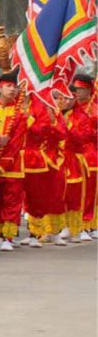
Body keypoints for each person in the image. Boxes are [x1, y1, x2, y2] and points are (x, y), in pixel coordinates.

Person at [0, 74, 29, 250]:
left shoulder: (21, 115)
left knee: (12, 201)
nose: (12, 89)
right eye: (8, 86)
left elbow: (17, 142)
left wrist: (3, 165)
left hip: (13, 166)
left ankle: (9, 238)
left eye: (15, 86)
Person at [23, 85, 65, 246]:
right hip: (27, 158)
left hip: (51, 159)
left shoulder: (52, 112)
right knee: (31, 196)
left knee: (53, 196)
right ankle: (35, 232)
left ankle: (54, 231)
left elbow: (58, 132)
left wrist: (52, 121)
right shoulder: (19, 107)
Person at [66, 74, 96, 240]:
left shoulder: (95, 108)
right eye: (76, 89)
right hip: (72, 156)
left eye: (81, 89)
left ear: (89, 90)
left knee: (91, 192)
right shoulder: (69, 108)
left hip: (91, 154)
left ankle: (90, 223)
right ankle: (72, 224)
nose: (78, 92)